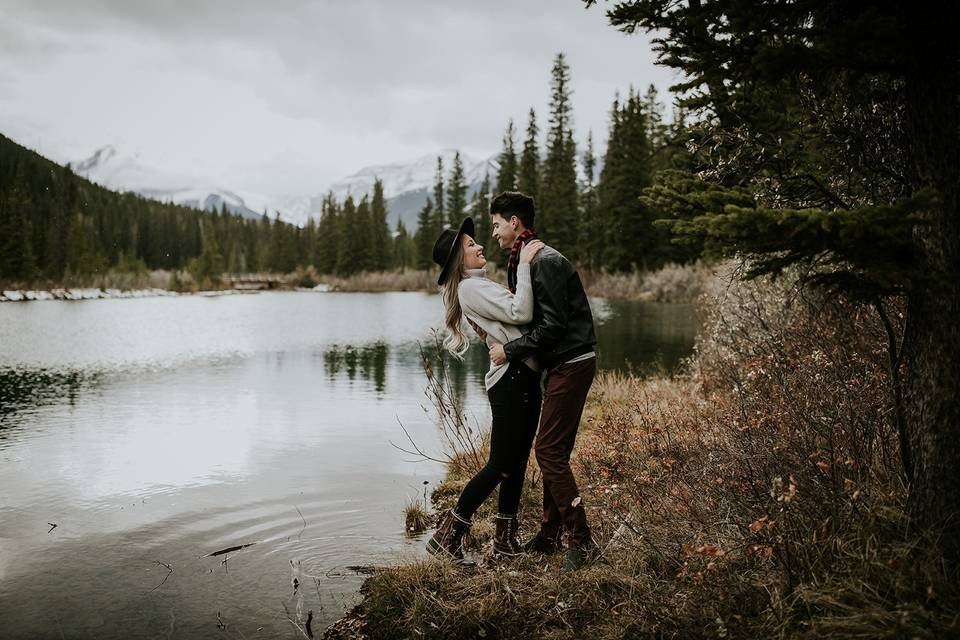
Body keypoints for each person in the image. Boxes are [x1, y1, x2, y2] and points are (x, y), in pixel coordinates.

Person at [487, 191, 599, 571]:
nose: (494, 233)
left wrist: (510, 350)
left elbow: (552, 327)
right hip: (563, 364)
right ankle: (550, 534)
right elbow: (531, 314)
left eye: (497, 224)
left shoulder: (544, 260)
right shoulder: (525, 259)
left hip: (572, 362)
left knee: (548, 451)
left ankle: (581, 541)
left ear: (514, 222)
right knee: (556, 451)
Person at [425, 216, 545, 561]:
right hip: (511, 379)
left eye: (475, 242)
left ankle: (504, 541)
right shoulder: (471, 288)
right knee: (500, 464)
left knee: (517, 462)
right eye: (470, 245)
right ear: (458, 261)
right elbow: (521, 312)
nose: (479, 246)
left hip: (520, 374)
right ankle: (449, 534)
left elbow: (510, 319)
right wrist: (524, 263)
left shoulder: (478, 285)